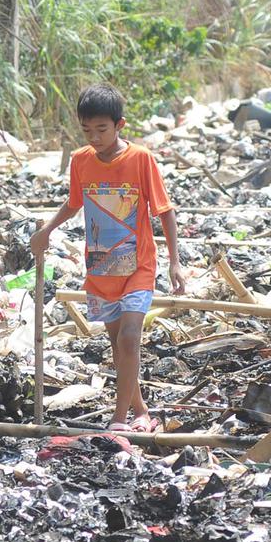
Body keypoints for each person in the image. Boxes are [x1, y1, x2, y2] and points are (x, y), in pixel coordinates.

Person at [31, 83, 186, 433]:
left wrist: (175, 262)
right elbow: (74, 203)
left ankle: (119, 420)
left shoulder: (141, 159)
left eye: (101, 129)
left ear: (120, 125)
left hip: (139, 265)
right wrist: (48, 230)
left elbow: (165, 211)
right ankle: (141, 410)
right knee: (117, 344)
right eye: (87, 130)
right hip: (101, 267)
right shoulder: (81, 161)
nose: (94, 137)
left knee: (130, 338)